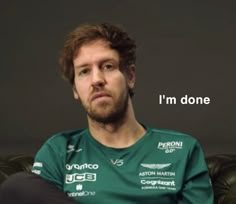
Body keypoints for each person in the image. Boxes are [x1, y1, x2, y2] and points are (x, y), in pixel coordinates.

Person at [0, 23, 214, 204]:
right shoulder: (59, 151)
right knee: (17, 186)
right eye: (84, 71)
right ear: (76, 90)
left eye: (108, 66)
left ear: (130, 76)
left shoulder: (182, 150)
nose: (96, 80)